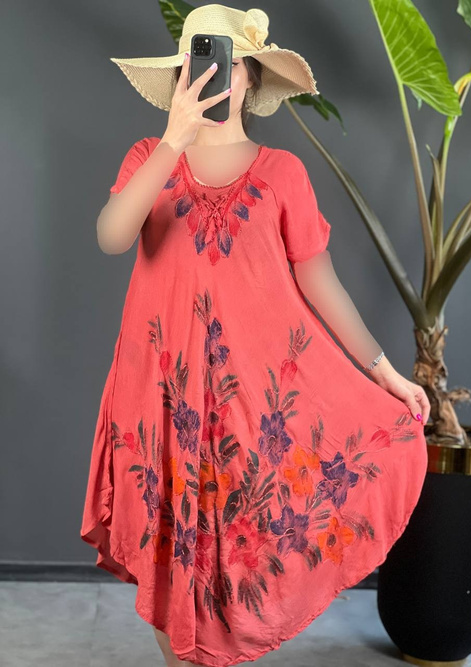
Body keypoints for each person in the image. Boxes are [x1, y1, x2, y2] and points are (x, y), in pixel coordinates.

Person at [80, 6, 430, 667]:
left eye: (229, 64)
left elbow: (321, 285)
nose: (215, 77)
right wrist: (174, 140)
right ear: (182, 77)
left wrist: (384, 370)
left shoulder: (283, 172)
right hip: (161, 402)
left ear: (250, 78)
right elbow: (111, 235)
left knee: (241, 559)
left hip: (252, 410)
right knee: (171, 557)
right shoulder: (149, 158)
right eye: (200, 64)